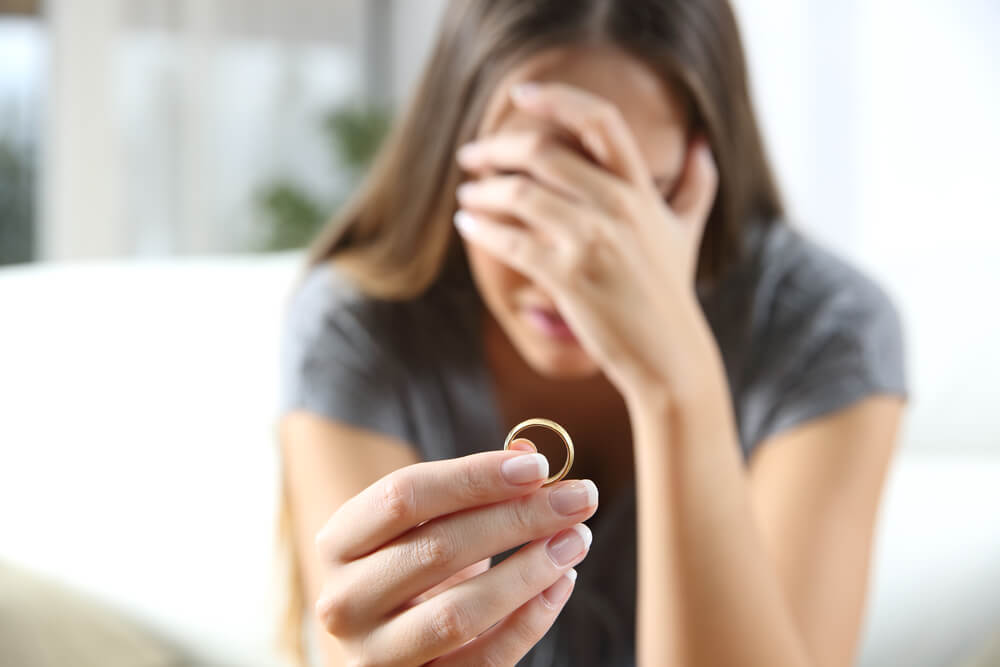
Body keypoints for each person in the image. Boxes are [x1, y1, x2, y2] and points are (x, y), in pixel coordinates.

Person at [275, 1, 908, 665]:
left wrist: (676, 382)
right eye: (527, 186)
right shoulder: (361, 327)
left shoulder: (825, 327)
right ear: (452, 159)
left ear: (703, 174)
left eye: (633, 200)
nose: (572, 263)